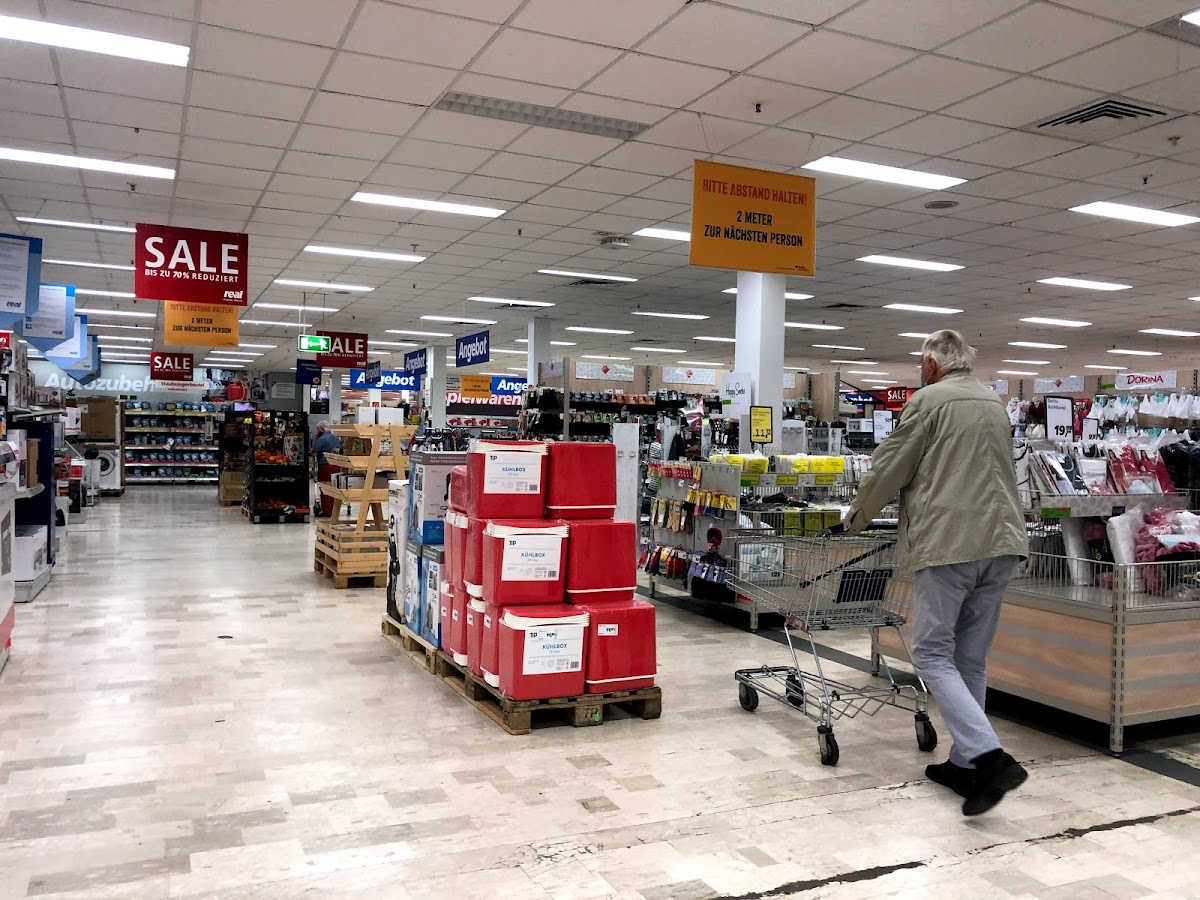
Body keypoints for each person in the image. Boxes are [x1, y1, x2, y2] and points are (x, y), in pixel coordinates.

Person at [841, 329, 1029, 817]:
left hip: (950, 544)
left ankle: (988, 756)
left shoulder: (927, 401)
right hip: (1002, 543)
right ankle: (965, 764)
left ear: (930, 364)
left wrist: (855, 517)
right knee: (970, 659)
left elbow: (890, 467)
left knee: (930, 653)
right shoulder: (993, 403)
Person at [312, 422, 342, 518]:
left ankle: (327, 511)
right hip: (336, 465)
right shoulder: (336, 438)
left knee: (325, 489)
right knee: (333, 488)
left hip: (325, 465)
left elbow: (314, 452)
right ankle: (334, 511)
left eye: (318, 430)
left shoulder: (322, 439)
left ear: (321, 429)